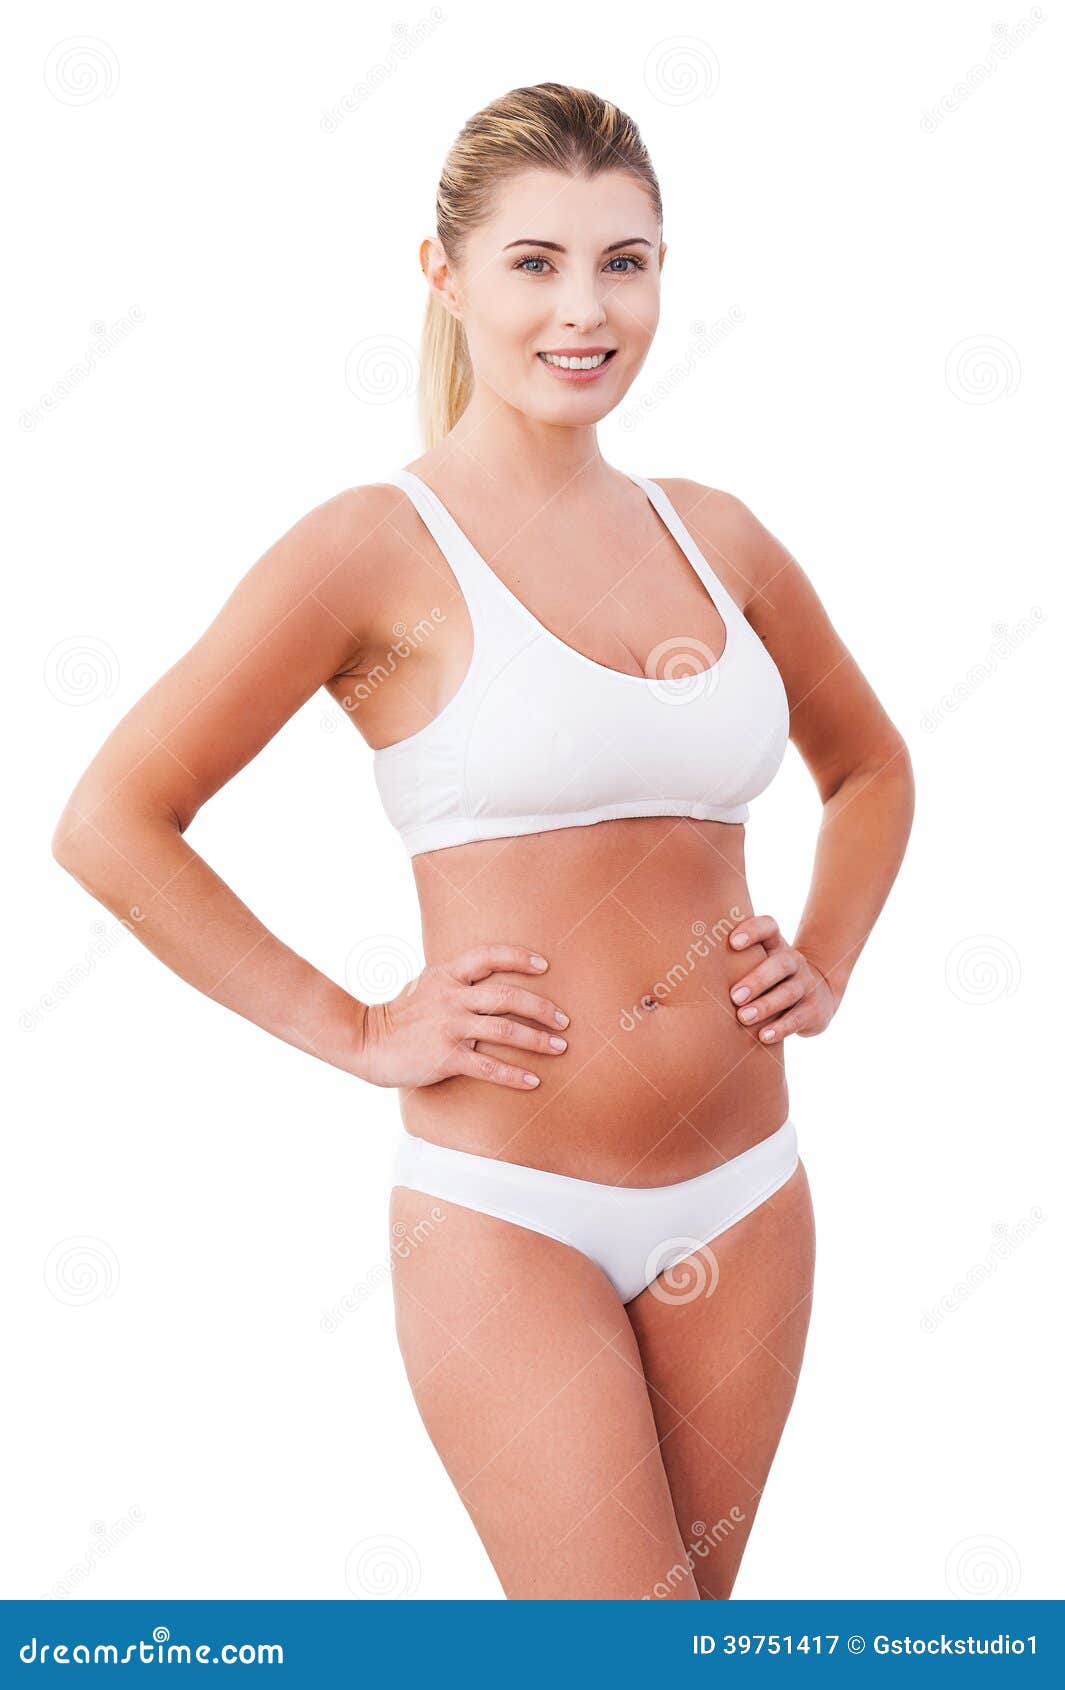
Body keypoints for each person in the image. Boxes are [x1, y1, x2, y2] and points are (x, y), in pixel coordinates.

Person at [52, 82, 915, 1600]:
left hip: (748, 1192)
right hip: (510, 1213)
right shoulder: (369, 548)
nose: (584, 309)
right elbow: (113, 822)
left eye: (624, 260)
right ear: (442, 275)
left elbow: (869, 767)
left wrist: (826, 956)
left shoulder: (717, 535)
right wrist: (359, 1023)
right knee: (612, 1645)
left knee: (691, 1643)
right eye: (534, 262)